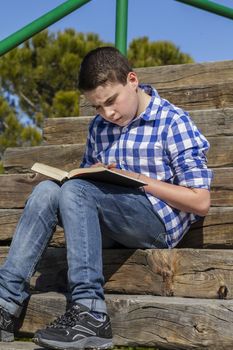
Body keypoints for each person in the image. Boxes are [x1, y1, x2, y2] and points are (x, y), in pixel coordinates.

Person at [0, 46, 212, 349]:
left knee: (75, 190)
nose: (108, 113)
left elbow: (200, 201)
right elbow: (84, 189)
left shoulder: (172, 122)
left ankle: (90, 313)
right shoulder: (100, 126)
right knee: (47, 190)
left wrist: (139, 181)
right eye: (98, 107)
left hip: (156, 224)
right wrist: (94, 172)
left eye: (111, 101)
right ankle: (5, 304)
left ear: (132, 80)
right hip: (107, 219)